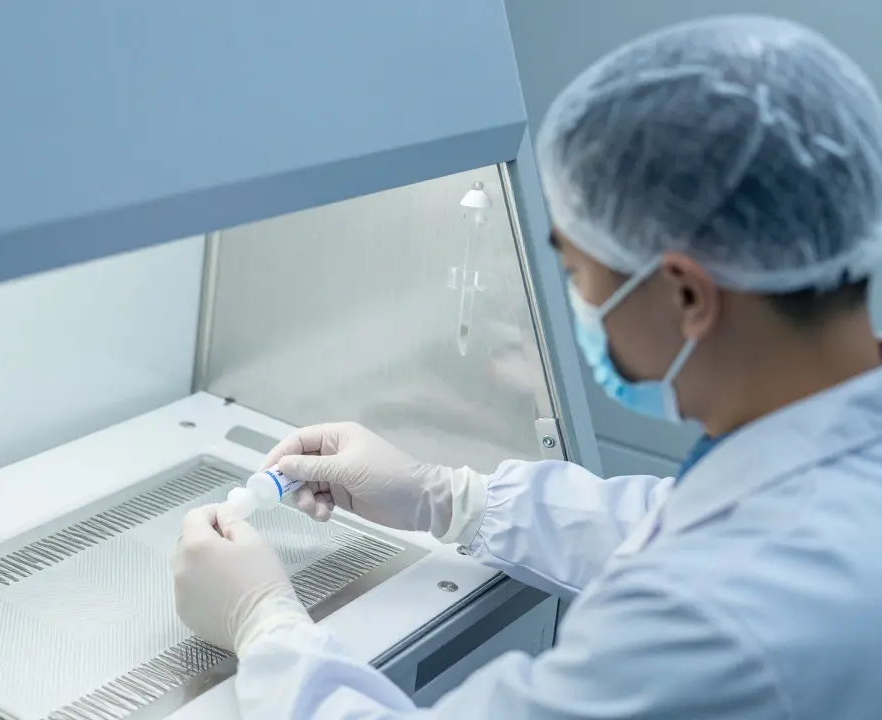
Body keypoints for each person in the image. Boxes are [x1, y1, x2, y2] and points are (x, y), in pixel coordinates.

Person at [172, 15, 882, 719]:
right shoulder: (830, 467)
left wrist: (263, 626)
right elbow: (680, 523)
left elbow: (712, 572)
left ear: (687, 294)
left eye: (578, 271)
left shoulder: (711, 622)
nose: (579, 302)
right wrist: (448, 497)